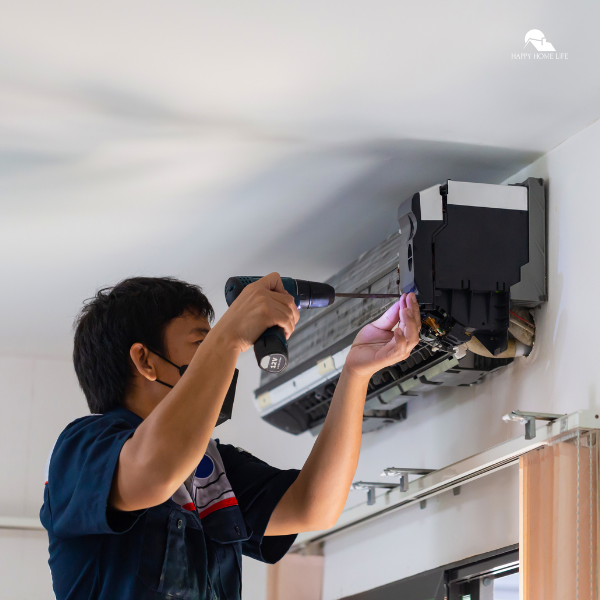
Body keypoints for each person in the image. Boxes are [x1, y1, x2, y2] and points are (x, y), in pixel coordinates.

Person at [40, 273, 421, 600]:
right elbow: (155, 471)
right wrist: (227, 338)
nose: (221, 362)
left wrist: (355, 374)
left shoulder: (212, 468)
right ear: (145, 361)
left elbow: (312, 505)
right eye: (201, 344)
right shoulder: (81, 448)